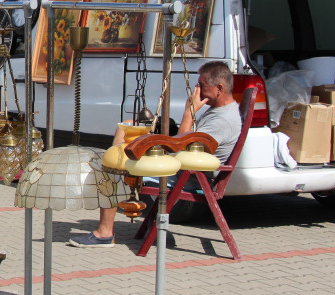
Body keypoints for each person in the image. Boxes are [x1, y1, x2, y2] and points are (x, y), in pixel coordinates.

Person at [70, 61, 242, 248]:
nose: (196, 89)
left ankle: (104, 233)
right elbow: (186, 142)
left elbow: (181, 148)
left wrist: (188, 112)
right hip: (183, 170)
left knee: (115, 174)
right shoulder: (218, 110)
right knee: (127, 126)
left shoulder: (222, 121)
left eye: (201, 85)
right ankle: (116, 163)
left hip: (189, 178)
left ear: (219, 88)